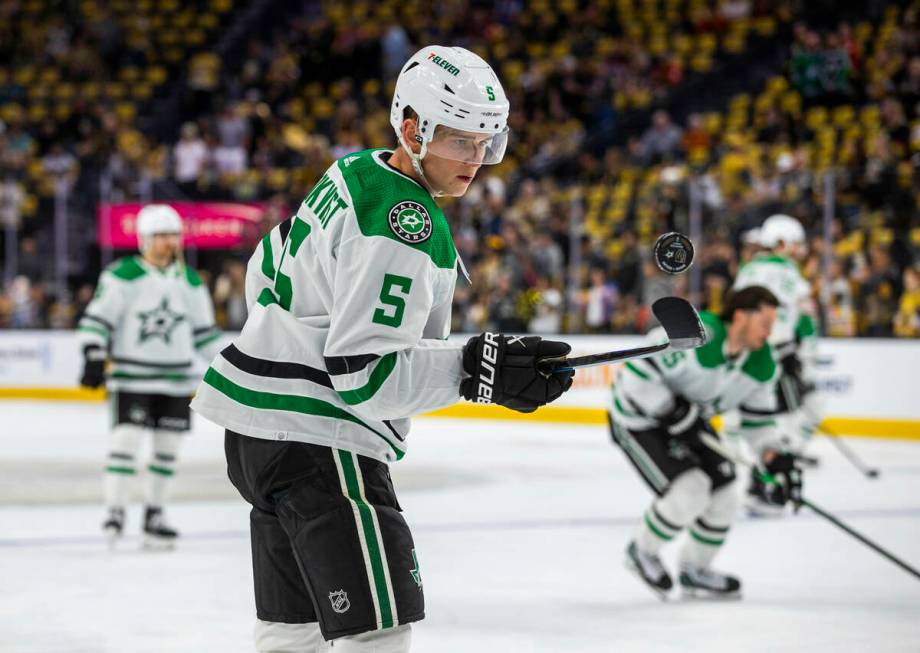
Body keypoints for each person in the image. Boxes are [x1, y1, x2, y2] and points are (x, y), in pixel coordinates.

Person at [190, 46, 574, 653]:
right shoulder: (405, 219)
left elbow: (265, 268)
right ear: (414, 126)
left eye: (485, 143)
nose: (474, 160)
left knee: (291, 634)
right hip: (323, 444)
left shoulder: (351, 173)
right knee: (377, 631)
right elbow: (363, 376)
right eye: (458, 140)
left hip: (258, 437)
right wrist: (481, 371)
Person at [608, 286, 803, 598]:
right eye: (765, 323)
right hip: (639, 418)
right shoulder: (697, 332)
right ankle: (642, 551)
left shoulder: (761, 364)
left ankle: (695, 568)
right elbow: (637, 372)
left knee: (726, 493)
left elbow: (758, 423)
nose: (770, 333)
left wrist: (774, 457)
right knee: (691, 489)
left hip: (689, 423)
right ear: (740, 315)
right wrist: (669, 409)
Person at [76, 204, 222, 548]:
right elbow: (97, 319)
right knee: (124, 443)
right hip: (132, 378)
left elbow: (205, 335)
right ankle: (115, 510)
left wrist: (232, 362)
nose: (168, 242)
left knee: (167, 449)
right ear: (143, 239)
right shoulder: (123, 274)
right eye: (159, 236)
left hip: (176, 380)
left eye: (172, 235)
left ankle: (155, 513)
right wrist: (93, 352)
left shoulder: (190, 281)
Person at [732, 214, 822, 513]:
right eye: (795, 244)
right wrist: (801, 353)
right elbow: (805, 318)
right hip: (778, 353)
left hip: (752, 353)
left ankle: (766, 476)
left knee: (769, 419)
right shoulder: (789, 272)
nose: (799, 250)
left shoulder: (747, 270)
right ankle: (765, 483)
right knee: (797, 414)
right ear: (782, 243)